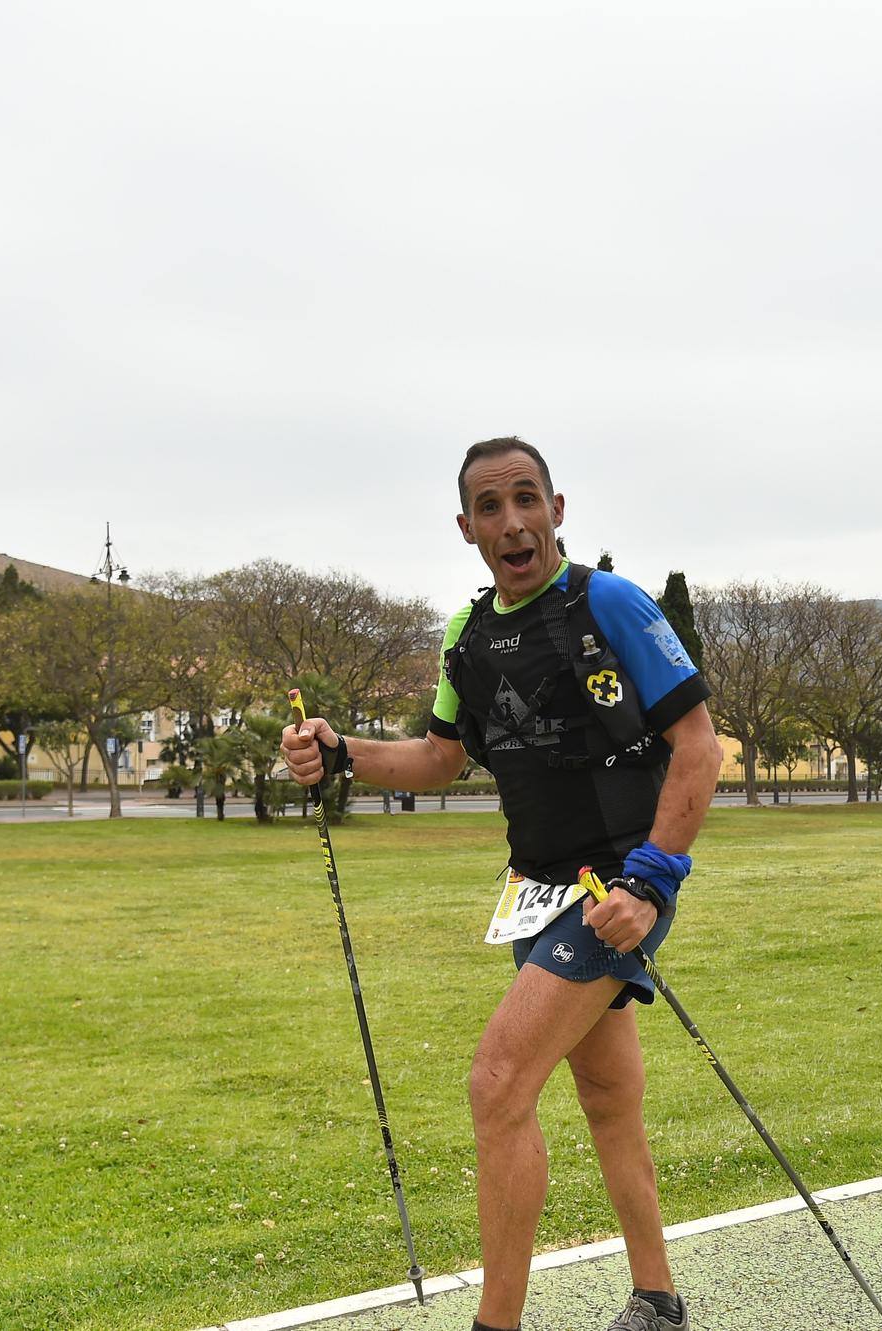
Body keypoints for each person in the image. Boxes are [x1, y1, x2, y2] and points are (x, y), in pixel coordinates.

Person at [283, 437, 722, 1331]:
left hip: (617, 889)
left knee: (498, 1081)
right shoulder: (468, 635)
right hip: (537, 887)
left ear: (558, 509)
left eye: (528, 498)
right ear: (467, 527)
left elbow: (699, 746)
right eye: (491, 506)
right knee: (605, 1098)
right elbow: (441, 757)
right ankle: (658, 1298)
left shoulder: (611, 603)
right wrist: (340, 753)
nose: (513, 520)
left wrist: (653, 881)